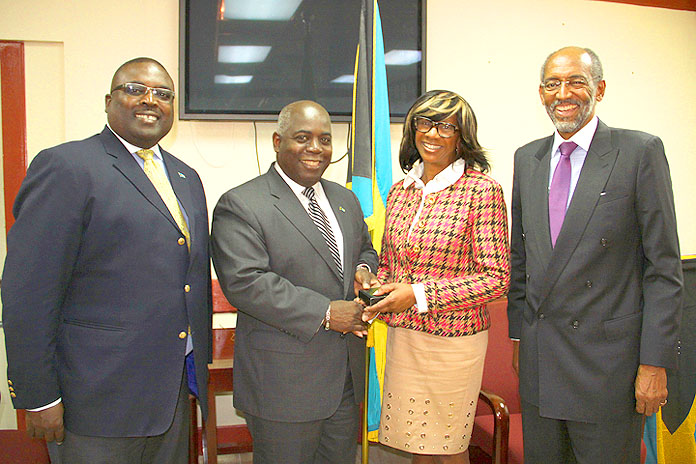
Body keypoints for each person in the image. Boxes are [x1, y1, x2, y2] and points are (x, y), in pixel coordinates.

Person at [2, 58, 212, 464]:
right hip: (95, 403)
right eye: (135, 89)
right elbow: (28, 292)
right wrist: (39, 395)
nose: (150, 101)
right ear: (108, 101)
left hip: (169, 398)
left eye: (163, 94)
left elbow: (188, 281)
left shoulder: (186, 178)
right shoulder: (67, 166)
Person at [508, 46, 683, 463]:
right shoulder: (527, 158)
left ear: (600, 89)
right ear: (541, 92)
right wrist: (518, 336)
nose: (563, 93)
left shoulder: (638, 152)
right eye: (553, 84)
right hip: (541, 364)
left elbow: (663, 269)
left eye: (576, 82)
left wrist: (655, 363)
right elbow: (522, 259)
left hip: (609, 371)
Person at [210, 100, 378, 464]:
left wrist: (364, 269)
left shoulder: (345, 199)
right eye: (303, 138)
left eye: (325, 139)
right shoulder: (241, 203)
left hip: (345, 382)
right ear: (277, 140)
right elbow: (246, 282)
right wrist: (327, 313)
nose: (316, 148)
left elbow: (366, 248)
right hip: (282, 386)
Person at [362, 90, 510, 464]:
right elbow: (393, 263)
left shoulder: (481, 191)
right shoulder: (400, 191)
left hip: (454, 344)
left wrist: (419, 294)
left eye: (446, 126)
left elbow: (496, 277)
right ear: (413, 131)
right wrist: (376, 285)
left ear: (462, 136)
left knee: (447, 447)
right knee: (417, 445)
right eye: (424, 123)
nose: (432, 133)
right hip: (404, 337)